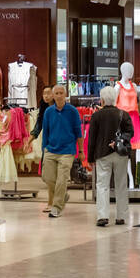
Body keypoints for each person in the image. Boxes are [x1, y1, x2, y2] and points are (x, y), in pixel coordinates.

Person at [86, 85, 131, 226]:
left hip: (102, 154)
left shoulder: (96, 116)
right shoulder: (123, 114)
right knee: (121, 184)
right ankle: (121, 216)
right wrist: (120, 140)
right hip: (120, 153)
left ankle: (102, 216)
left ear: (102, 100)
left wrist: (90, 158)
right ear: (116, 98)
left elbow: (92, 139)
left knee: (102, 185)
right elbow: (130, 133)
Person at [39, 84, 81, 218]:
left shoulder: (73, 111)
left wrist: (81, 151)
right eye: (56, 93)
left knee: (62, 180)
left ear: (65, 94)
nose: (58, 96)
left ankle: (56, 207)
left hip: (67, 151)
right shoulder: (48, 112)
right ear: (53, 95)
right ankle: (63, 195)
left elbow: (79, 132)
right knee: (48, 178)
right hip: (50, 149)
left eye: (61, 93)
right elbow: (46, 132)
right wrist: (44, 149)